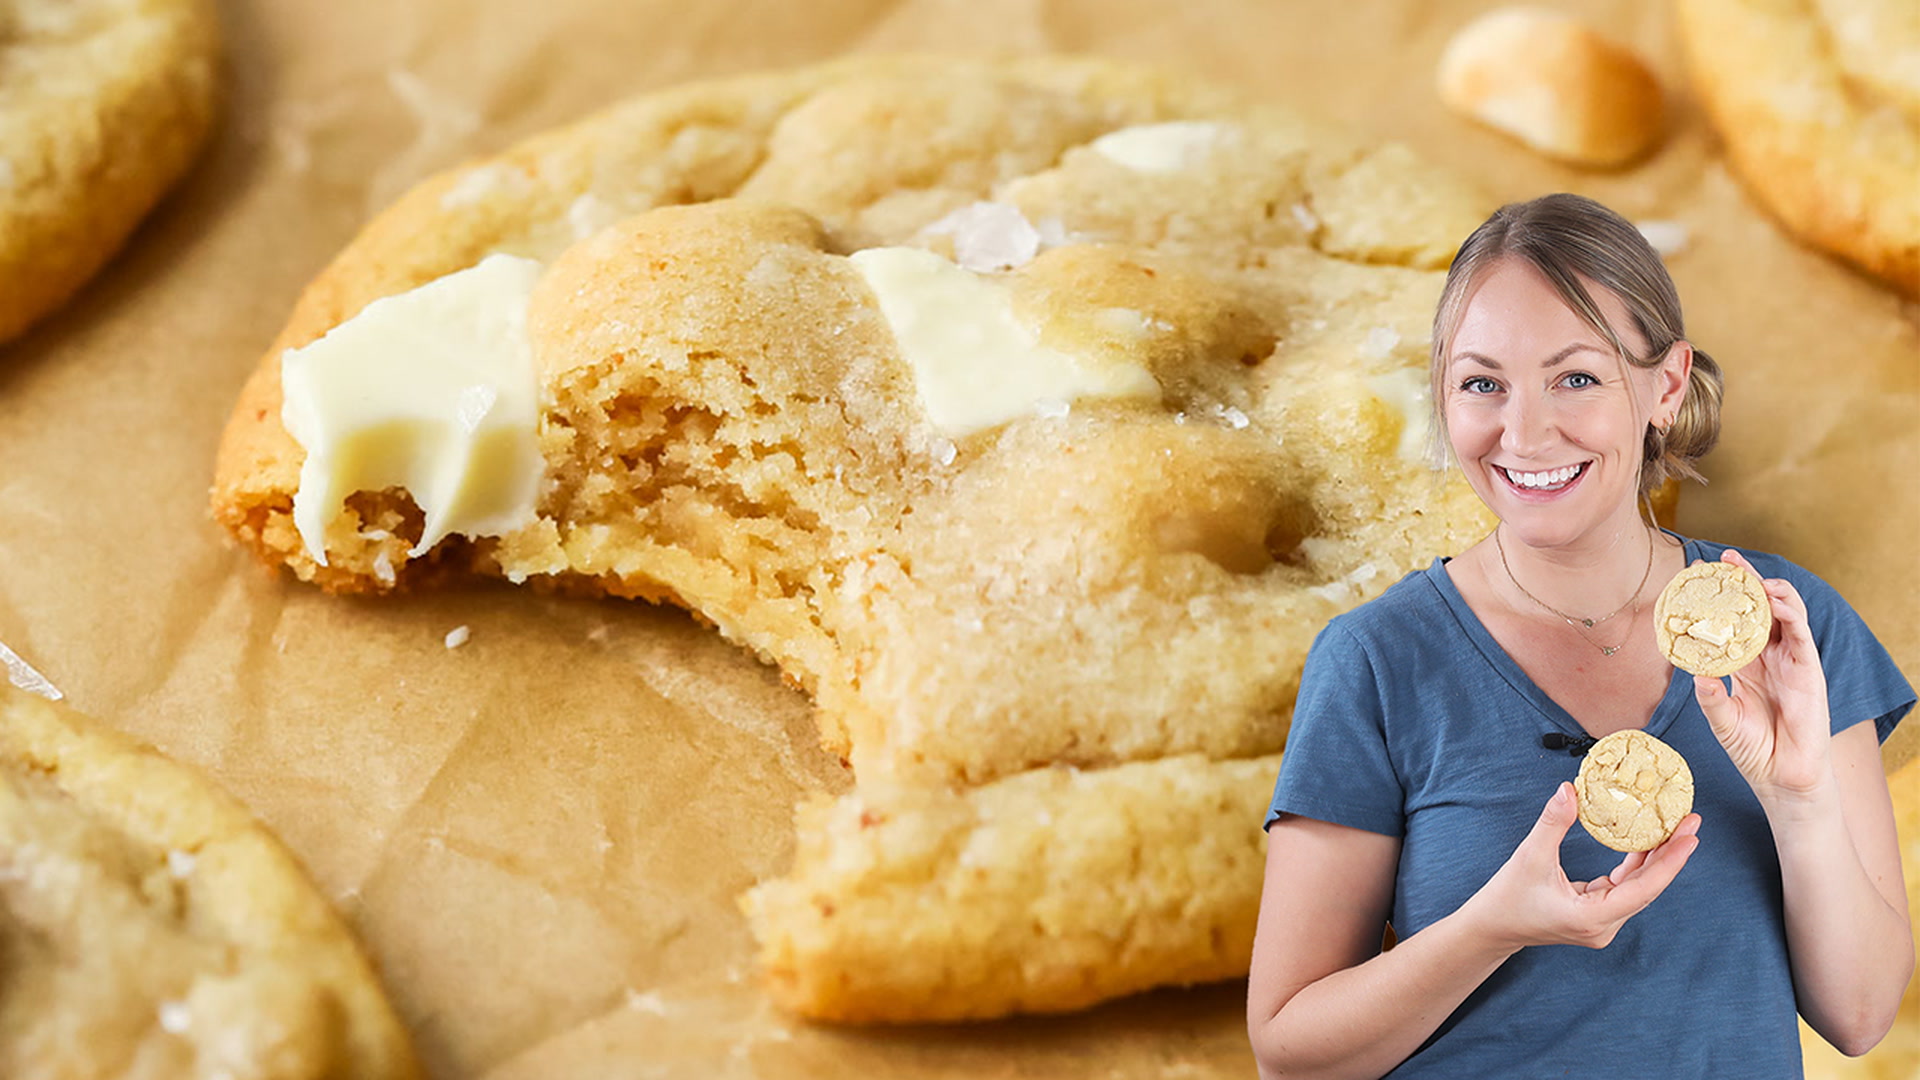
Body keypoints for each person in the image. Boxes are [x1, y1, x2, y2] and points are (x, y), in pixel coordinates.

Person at [1245, 192, 1916, 1078]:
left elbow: (1862, 1015)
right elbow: (1291, 1052)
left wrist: (1801, 800)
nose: (1524, 433)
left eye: (1576, 377)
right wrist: (1494, 928)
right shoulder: (1378, 660)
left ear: (1665, 387)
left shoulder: (1787, 631)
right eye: (1482, 382)